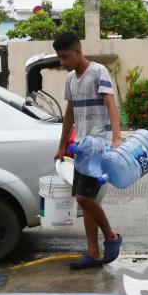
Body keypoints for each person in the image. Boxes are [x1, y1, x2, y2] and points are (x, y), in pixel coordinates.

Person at [52, 32, 123, 269]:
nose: (62, 63)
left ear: (78, 51)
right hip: (82, 147)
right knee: (85, 201)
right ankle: (93, 253)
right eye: (59, 58)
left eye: (65, 57)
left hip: (99, 144)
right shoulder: (71, 79)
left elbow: (110, 104)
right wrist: (62, 145)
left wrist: (116, 136)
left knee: (83, 196)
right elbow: (69, 114)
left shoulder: (98, 72)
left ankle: (111, 237)